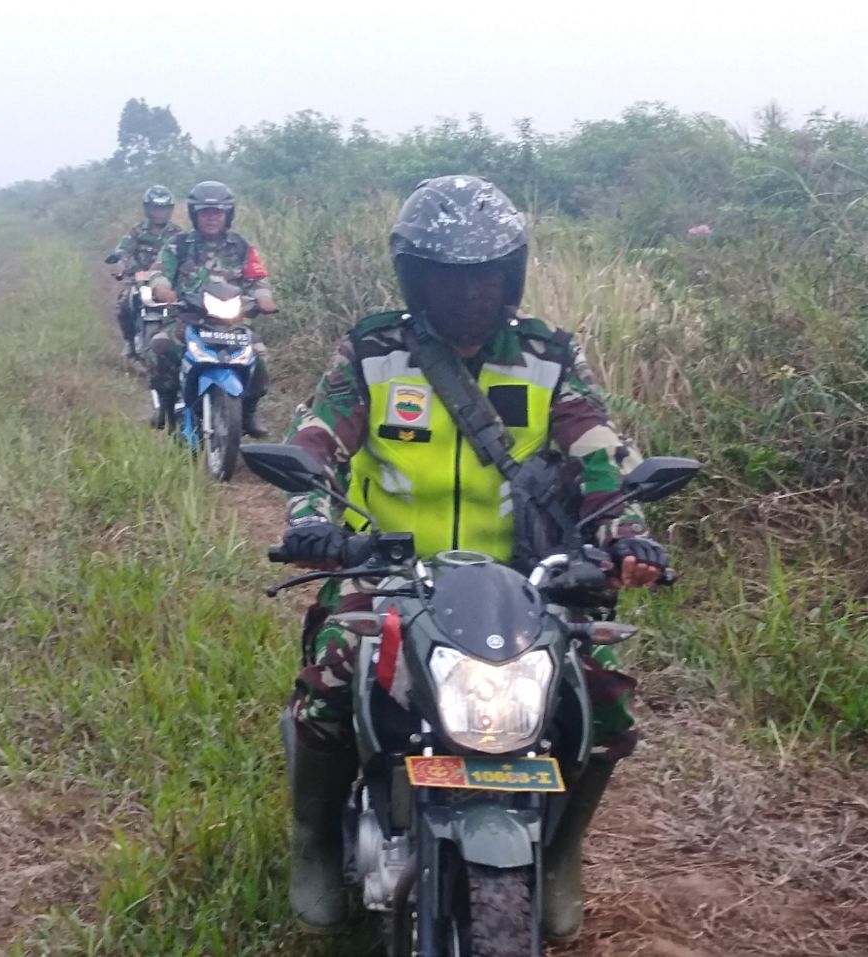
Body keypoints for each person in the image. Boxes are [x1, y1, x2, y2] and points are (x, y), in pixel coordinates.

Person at [276, 175, 669, 939]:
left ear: (509, 275)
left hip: (524, 585)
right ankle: (314, 840)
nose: (467, 293)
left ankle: (557, 853)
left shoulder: (548, 355)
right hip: (389, 573)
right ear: (415, 278)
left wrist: (625, 533)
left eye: (484, 275)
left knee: (604, 702)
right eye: (447, 276)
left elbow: (599, 454)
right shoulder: (373, 348)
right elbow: (317, 440)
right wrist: (310, 517)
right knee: (325, 688)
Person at [146, 180, 277, 435]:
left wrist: (263, 297)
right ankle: (165, 404)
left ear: (228, 214)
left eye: (218, 212)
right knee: (160, 346)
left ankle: (248, 412)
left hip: (233, 322)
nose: (212, 218)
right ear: (195, 215)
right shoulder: (179, 244)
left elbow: (257, 277)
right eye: (206, 213)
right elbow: (159, 272)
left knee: (259, 357)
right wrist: (162, 287)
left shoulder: (242, 246)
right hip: (187, 318)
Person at [108, 185, 183, 358]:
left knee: (182, 309)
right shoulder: (137, 231)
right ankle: (129, 341)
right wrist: (124, 264)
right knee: (124, 303)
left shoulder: (178, 234)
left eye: (164, 208)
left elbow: (185, 257)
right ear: (147, 209)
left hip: (167, 281)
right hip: (139, 279)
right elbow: (123, 250)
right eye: (156, 208)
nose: (160, 212)